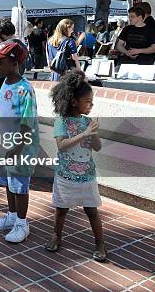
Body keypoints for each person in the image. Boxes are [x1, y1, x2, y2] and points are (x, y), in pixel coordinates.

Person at [44, 70, 106, 261]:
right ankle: (56, 235)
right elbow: (62, 146)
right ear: (73, 102)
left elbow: (98, 147)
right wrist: (84, 134)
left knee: (91, 210)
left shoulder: (88, 122)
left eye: (91, 101)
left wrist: (93, 133)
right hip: (65, 176)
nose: (91, 105)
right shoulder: (61, 121)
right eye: (87, 101)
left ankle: (100, 244)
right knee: (61, 209)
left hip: (87, 176)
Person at [0, 41, 39, 243]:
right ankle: (12, 216)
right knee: (9, 183)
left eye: (0, 62)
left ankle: (22, 223)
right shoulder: (5, 83)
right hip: (4, 146)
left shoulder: (25, 89)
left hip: (19, 148)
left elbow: (27, 122)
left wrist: (17, 148)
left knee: (19, 186)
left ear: (14, 62)